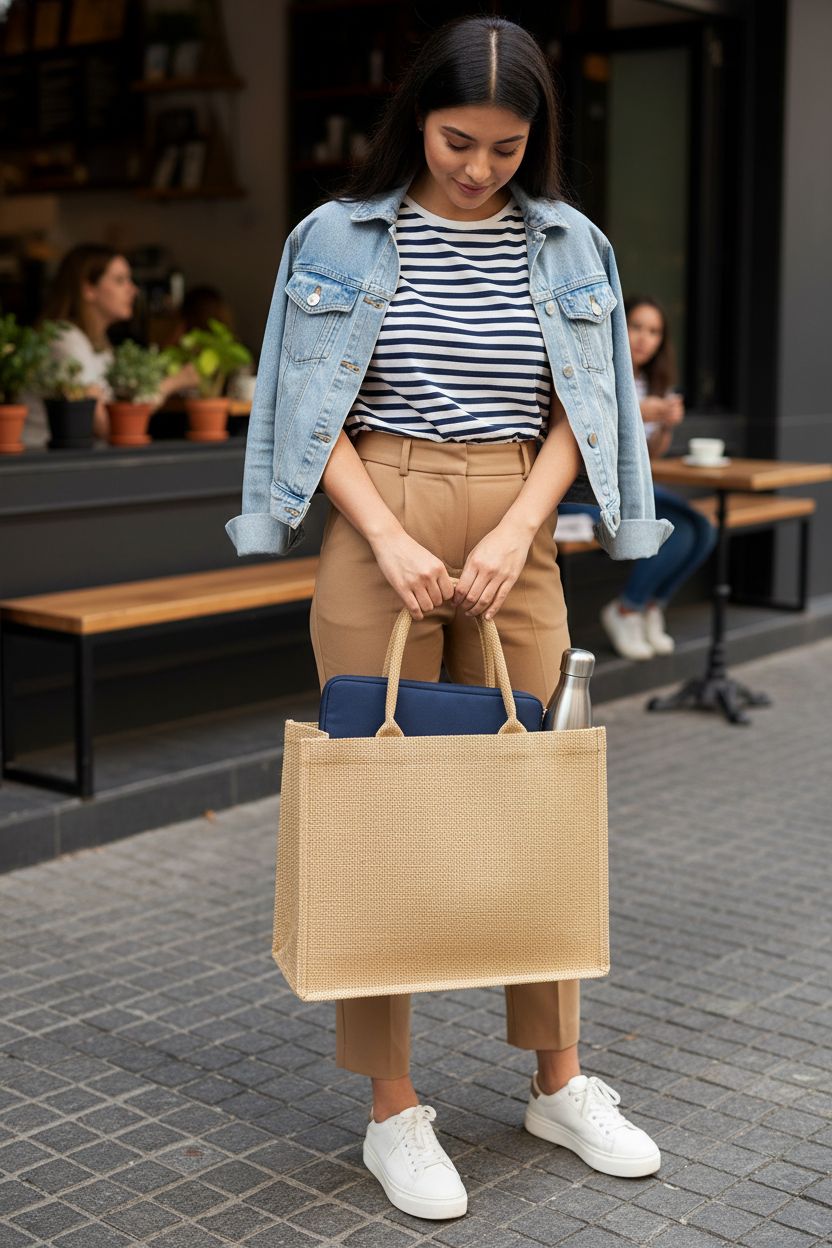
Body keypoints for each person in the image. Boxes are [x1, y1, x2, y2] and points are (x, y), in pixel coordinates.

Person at [227, 15, 671, 1222]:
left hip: (516, 514)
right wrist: (386, 535)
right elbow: (303, 402)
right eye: (457, 139)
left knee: (542, 800)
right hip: (382, 505)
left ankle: (559, 1080)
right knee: (382, 811)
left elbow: (590, 405)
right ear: (414, 118)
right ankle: (394, 1110)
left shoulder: (572, 243)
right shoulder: (334, 236)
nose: (478, 167)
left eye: (505, 147)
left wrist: (524, 526)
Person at [562, 296, 717, 659]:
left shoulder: (651, 382)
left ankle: (648, 607)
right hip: (589, 495)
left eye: (654, 331)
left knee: (702, 527)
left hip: (630, 488)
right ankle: (626, 610)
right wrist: (640, 412)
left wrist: (663, 424)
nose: (644, 338)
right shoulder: (600, 370)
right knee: (669, 529)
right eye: (637, 327)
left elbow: (646, 458)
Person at [29, 244, 197, 445]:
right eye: (120, 280)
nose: (133, 290)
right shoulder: (65, 339)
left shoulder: (98, 344)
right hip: (42, 460)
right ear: (88, 289)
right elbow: (108, 426)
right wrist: (172, 382)